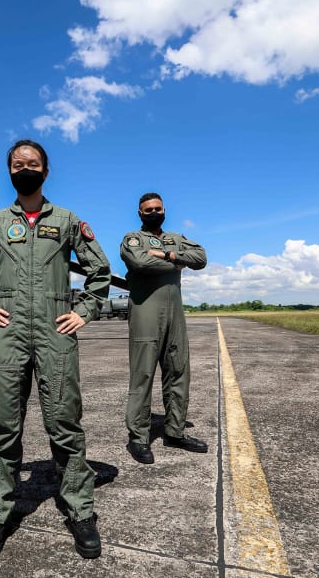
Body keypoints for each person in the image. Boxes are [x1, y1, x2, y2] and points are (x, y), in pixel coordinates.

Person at [0, 139, 111, 560]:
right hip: (7, 332)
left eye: (33, 163)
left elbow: (100, 269)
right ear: (10, 172)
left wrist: (84, 311)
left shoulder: (67, 220)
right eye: (18, 163)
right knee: (4, 425)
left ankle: (79, 508)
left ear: (46, 170)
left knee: (64, 422)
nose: (26, 168)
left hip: (56, 330)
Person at [120, 192, 208, 465]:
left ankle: (175, 431)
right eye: (148, 210)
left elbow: (201, 258)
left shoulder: (176, 238)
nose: (154, 212)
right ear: (140, 213)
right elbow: (139, 262)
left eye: (158, 208)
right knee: (143, 375)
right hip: (146, 311)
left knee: (178, 370)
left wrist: (169, 253)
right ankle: (138, 437)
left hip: (175, 313)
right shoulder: (133, 239)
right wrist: (177, 263)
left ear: (164, 210)